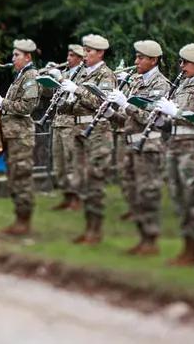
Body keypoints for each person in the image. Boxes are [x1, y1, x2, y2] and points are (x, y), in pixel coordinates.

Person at [107, 40, 171, 256]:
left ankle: (151, 240)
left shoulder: (161, 85)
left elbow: (151, 118)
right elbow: (128, 119)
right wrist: (111, 114)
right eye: (136, 57)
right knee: (132, 191)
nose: (136, 62)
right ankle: (143, 237)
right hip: (131, 143)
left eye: (141, 58)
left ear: (153, 60)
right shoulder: (136, 81)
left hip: (149, 145)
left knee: (147, 193)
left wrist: (126, 104)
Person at [157, 44, 194, 266]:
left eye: (185, 62)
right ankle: (186, 247)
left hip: (193, 146)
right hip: (176, 144)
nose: (181, 66)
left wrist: (177, 113)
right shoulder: (183, 84)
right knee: (179, 198)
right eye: (181, 62)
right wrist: (164, 118)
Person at [57, 34, 118, 245]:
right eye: (84, 50)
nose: (85, 54)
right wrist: (65, 97)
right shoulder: (82, 73)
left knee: (94, 181)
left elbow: (102, 103)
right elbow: (69, 107)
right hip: (78, 129)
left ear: (100, 53)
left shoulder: (106, 75)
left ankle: (95, 231)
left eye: (89, 51)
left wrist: (77, 90)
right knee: (82, 180)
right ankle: (89, 228)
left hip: (97, 131)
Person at [0, 39, 40, 237]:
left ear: (27, 57)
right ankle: (19, 220)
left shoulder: (30, 76)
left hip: (21, 136)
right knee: (14, 176)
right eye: (13, 54)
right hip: (13, 134)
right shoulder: (21, 76)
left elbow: (27, 107)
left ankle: (24, 222)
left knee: (21, 177)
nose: (12, 58)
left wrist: (3, 103)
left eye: (16, 55)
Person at [50, 44, 84, 205]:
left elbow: (80, 97)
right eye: (68, 55)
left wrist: (60, 79)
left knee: (72, 162)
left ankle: (76, 197)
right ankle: (66, 196)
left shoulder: (83, 75)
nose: (68, 58)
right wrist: (48, 79)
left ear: (80, 58)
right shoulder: (64, 73)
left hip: (71, 123)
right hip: (58, 122)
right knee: (59, 164)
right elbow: (48, 94)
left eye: (71, 56)